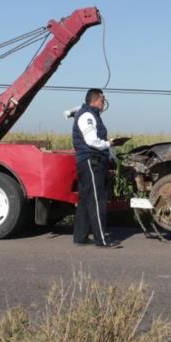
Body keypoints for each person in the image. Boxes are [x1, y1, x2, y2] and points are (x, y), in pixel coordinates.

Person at [71, 88, 121, 248]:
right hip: (91, 161)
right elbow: (92, 141)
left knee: (85, 200)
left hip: (88, 161)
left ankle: (80, 237)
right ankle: (102, 240)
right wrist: (109, 144)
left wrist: (110, 154)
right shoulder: (87, 116)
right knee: (97, 200)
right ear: (94, 101)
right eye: (102, 100)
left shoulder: (90, 114)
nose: (104, 103)